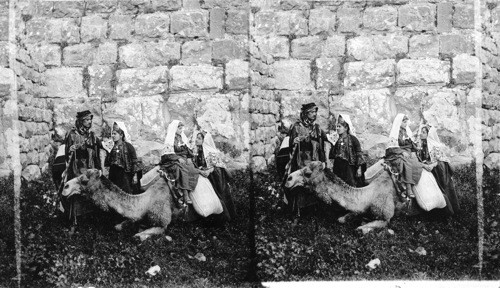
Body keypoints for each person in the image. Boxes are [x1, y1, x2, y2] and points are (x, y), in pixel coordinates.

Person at [285, 103, 330, 213]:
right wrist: (294, 141)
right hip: (300, 161)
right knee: (300, 184)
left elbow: (324, 143)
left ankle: (312, 209)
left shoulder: (317, 128)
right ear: (305, 113)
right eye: (311, 112)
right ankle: (298, 210)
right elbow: (289, 144)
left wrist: (324, 160)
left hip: (313, 161)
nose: (314, 114)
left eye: (315, 112)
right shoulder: (296, 127)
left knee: (313, 183)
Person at [62, 110, 103, 224]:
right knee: (77, 191)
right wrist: (70, 150)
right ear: (80, 121)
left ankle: (89, 218)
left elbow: (97, 152)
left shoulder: (92, 136)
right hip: (76, 168)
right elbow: (67, 154)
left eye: (90, 120)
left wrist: (98, 167)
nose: (89, 122)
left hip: (89, 167)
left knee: (89, 190)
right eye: (86, 120)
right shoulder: (72, 134)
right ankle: (76, 219)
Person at [417, 124, 460, 215]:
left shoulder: (434, 146)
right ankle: (436, 211)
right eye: (421, 132)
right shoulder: (422, 146)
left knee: (444, 189)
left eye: (423, 133)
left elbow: (442, 160)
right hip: (430, 170)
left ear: (429, 134)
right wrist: (425, 165)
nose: (421, 134)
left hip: (439, 170)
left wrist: (432, 165)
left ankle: (450, 212)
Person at [193, 131, 236, 221]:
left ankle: (224, 218)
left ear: (205, 141)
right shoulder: (197, 151)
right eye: (196, 138)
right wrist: (200, 171)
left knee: (219, 195)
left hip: (216, 177)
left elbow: (218, 167)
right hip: (204, 176)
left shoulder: (211, 152)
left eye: (199, 138)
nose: (196, 140)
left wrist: (209, 171)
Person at [161, 120, 199, 205]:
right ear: (175, 128)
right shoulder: (170, 139)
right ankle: (185, 194)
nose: (181, 130)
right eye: (179, 128)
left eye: (182, 128)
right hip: (172, 160)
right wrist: (177, 158)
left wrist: (189, 157)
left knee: (192, 169)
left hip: (184, 159)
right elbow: (166, 155)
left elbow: (187, 149)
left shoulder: (182, 138)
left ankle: (191, 191)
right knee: (182, 169)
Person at [386, 113, 424, 199]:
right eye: (404, 122)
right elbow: (391, 147)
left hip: (408, 152)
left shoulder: (407, 132)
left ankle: (414, 184)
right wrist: (401, 152)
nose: (406, 124)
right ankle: (408, 188)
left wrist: (416, 148)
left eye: (406, 122)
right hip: (397, 153)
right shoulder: (395, 132)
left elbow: (411, 144)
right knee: (407, 162)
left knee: (416, 163)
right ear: (399, 122)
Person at [330, 114, 366, 187]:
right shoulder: (337, 141)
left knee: (350, 186)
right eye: (337, 126)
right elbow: (332, 155)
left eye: (339, 126)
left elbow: (359, 154)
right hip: (338, 169)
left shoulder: (353, 139)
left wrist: (359, 168)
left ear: (346, 128)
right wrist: (332, 143)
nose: (337, 128)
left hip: (349, 169)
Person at [104, 121, 138, 194]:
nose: (112, 135)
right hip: (113, 174)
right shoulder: (110, 147)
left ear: (121, 135)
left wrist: (134, 176)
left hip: (124, 174)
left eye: (115, 134)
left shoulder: (129, 147)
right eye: (112, 134)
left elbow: (135, 161)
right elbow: (107, 163)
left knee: (125, 193)